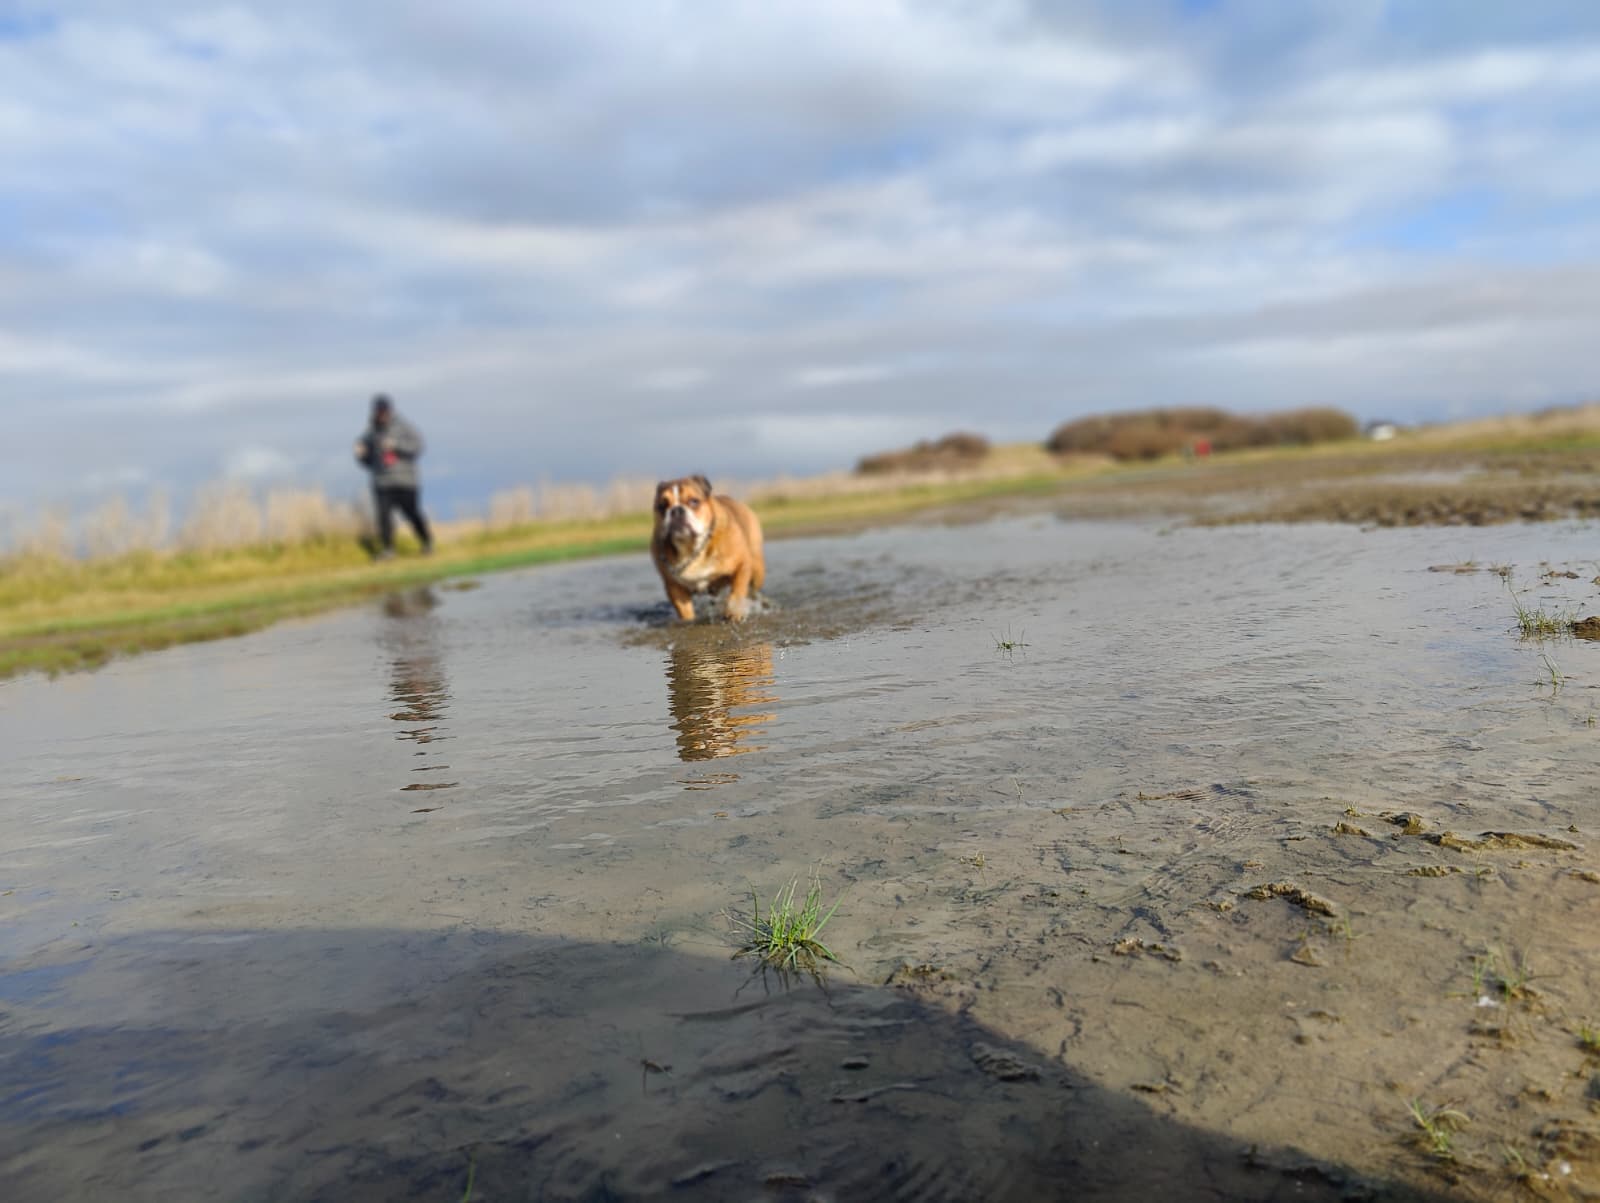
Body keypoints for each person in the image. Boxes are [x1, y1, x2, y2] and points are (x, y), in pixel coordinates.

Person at [354, 394, 432, 558]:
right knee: (383, 517)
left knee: (411, 514)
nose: (381, 415)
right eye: (378, 411)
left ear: (389, 410)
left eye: (384, 411)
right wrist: (361, 455)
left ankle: (427, 543)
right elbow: (367, 462)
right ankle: (389, 550)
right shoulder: (370, 432)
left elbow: (418, 446)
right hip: (381, 481)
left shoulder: (403, 426)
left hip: (405, 481)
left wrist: (396, 446)